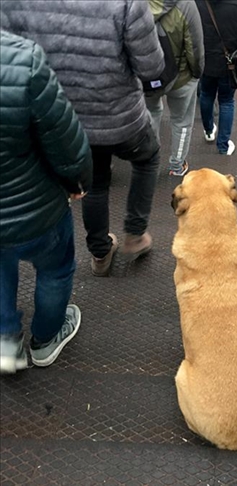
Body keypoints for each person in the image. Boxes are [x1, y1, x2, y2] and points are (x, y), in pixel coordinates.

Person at [1, 0, 166, 278]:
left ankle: (100, 251)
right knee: (148, 158)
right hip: (121, 118)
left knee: (94, 183)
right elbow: (151, 68)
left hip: (65, 117)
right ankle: (135, 234)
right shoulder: (128, 3)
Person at [0, 30, 92, 374]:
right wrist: (78, 181)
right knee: (55, 268)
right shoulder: (23, 59)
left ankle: (6, 340)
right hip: (36, 207)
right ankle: (45, 339)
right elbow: (63, 139)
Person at [145, 0, 205, 177]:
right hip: (181, 76)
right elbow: (194, 45)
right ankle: (177, 165)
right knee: (181, 121)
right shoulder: (186, 4)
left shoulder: (135, 4)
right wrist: (197, 72)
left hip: (148, 75)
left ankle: (150, 160)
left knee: (151, 113)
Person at [196, 0, 237, 155]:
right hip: (231, 60)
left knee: (206, 94)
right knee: (226, 101)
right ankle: (223, 145)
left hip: (205, 58)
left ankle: (209, 130)